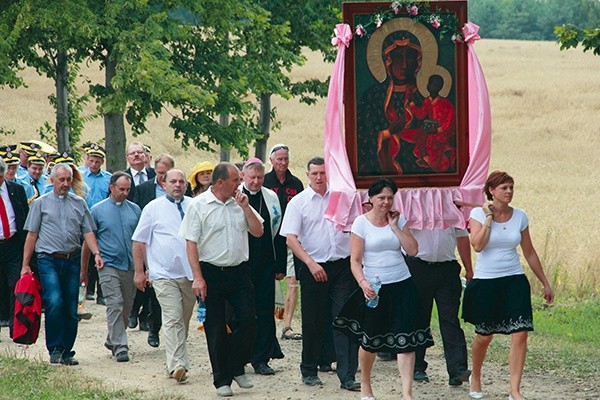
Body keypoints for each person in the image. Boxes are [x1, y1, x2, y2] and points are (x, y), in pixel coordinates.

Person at [333, 178, 433, 400]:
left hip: (402, 283)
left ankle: (407, 393)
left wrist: (395, 226)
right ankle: (367, 386)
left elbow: (413, 250)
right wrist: (362, 283)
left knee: (405, 340)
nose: (386, 202)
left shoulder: (398, 220)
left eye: (390, 198)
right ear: (371, 199)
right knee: (370, 341)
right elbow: (355, 261)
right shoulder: (361, 223)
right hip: (374, 288)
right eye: (381, 198)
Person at [463, 171, 554, 400]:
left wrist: (545, 282)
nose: (509, 192)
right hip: (486, 281)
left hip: (514, 279)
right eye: (504, 188)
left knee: (520, 333)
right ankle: (476, 376)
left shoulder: (521, 216)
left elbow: (530, 252)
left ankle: (515, 390)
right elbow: (478, 246)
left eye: (511, 187)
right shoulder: (477, 214)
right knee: (484, 336)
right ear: (491, 191)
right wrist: (488, 218)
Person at [180, 162, 263, 397]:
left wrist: (246, 209)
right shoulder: (198, 206)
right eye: (236, 179)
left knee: (249, 321)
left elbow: (258, 231)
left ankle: (237, 366)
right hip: (211, 272)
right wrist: (197, 278)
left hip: (239, 271)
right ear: (220, 183)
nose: (240, 183)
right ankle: (222, 380)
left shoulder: (241, 202)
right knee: (215, 327)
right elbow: (191, 243)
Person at [279, 156, 360, 391]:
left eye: (323, 173)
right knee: (313, 320)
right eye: (314, 173)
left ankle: (347, 375)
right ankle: (309, 368)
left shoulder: (343, 199)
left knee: (344, 319)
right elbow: (291, 239)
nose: (319, 177)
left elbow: (356, 228)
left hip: (342, 266)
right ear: (307, 175)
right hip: (313, 265)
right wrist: (311, 264)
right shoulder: (299, 202)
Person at [21, 163, 104, 365]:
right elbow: (32, 234)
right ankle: (55, 348)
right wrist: (25, 265)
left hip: (72, 258)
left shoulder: (79, 203)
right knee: (54, 301)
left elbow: (88, 232)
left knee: (70, 305)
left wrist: (96, 253)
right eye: (61, 180)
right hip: (48, 259)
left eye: (69, 180)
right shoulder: (40, 204)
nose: (65, 184)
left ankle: (67, 350)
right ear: (53, 180)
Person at [132, 169, 195, 383]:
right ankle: (177, 364)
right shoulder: (153, 208)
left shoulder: (193, 206)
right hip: (163, 274)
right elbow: (139, 241)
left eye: (181, 181)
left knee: (184, 319)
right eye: (173, 181)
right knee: (173, 316)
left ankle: (175, 357)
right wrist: (140, 272)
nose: (177, 185)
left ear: (186, 185)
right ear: (164, 183)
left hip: (189, 274)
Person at [81, 172, 140, 363]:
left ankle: (112, 339)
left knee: (126, 306)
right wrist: (84, 270)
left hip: (130, 265)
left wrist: (143, 267)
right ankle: (121, 346)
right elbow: (87, 241)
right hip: (108, 264)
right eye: (121, 189)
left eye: (128, 190)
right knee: (114, 303)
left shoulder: (135, 210)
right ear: (111, 187)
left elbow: (141, 241)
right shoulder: (97, 211)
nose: (125, 193)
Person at [404, 227, 472, 385]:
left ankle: (458, 369)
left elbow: (462, 238)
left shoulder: (452, 207)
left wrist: (469, 269)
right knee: (419, 317)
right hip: (417, 267)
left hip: (446, 269)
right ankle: (417, 366)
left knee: (450, 319)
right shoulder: (413, 204)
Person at [240, 158, 286, 375]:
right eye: (252, 178)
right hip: (241, 263)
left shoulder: (271, 196)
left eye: (260, 177)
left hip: (266, 262)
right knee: (242, 311)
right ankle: (238, 356)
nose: (256, 182)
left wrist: (281, 265)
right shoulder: (235, 196)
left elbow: (278, 233)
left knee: (265, 310)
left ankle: (262, 358)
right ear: (243, 177)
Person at [357, 35, 427, 176]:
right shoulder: (373, 96)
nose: (404, 65)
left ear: (417, 62)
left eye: (410, 58)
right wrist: (388, 132)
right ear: (388, 61)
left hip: (417, 171)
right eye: (398, 58)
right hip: (382, 170)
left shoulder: (422, 96)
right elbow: (361, 136)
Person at [263, 143, 304, 341]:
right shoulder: (263, 182)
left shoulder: (296, 184)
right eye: (279, 159)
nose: (283, 162)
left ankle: (287, 325)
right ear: (271, 160)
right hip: (269, 237)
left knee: (293, 279)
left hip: (291, 237)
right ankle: (265, 321)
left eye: (286, 158)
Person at [0, 158, 29, 336]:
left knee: (14, 285)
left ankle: (14, 325)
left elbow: (24, 217)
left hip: (12, 245)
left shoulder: (16, 190)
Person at [407, 74, 457, 172]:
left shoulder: (446, 104)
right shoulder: (427, 101)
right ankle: (425, 158)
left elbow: (450, 122)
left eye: (436, 84)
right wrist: (412, 103)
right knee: (419, 135)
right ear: (427, 85)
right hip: (431, 128)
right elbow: (421, 115)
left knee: (433, 140)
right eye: (431, 83)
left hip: (442, 132)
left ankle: (432, 161)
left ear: (441, 87)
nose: (433, 86)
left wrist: (438, 130)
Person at [81, 144, 112, 305]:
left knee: (102, 253)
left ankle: (102, 293)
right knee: (85, 253)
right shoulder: (80, 175)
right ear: (87, 160)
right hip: (83, 218)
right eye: (92, 161)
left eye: (97, 161)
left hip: (102, 218)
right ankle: (86, 287)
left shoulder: (108, 177)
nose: (94, 164)